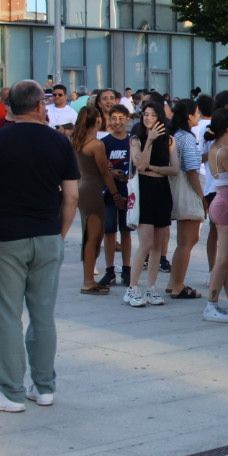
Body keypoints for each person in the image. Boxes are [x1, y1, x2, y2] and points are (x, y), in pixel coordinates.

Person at [0, 81, 79, 413]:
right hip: (47, 234)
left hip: (5, 236)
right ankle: (44, 387)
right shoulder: (59, 141)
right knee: (43, 314)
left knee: (6, 315)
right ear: (37, 106)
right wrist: (59, 232)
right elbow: (72, 196)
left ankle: (11, 392)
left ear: (10, 107)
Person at [124, 101, 178, 306]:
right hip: (144, 191)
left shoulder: (170, 140)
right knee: (145, 242)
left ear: (160, 118)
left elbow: (174, 169)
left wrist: (155, 169)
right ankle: (132, 287)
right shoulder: (136, 139)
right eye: (145, 114)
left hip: (162, 191)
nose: (148, 118)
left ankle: (151, 287)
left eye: (153, 115)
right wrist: (150, 141)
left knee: (159, 244)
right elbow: (140, 165)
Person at [71, 105, 120, 295]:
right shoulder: (96, 145)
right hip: (93, 191)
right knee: (93, 237)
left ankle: (88, 278)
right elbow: (104, 173)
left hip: (81, 187)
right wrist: (116, 194)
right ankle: (88, 280)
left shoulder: (76, 140)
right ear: (97, 120)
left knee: (88, 235)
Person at [201, 108, 228, 322]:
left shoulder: (213, 148)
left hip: (220, 200)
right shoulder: (225, 151)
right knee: (225, 257)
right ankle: (211, 302)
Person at [166, 100, 206, 299]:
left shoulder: (176, 135)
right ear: (189, 116)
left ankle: (173, 281)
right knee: (187, 241)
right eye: (196, 113)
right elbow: (191, 170)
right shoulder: (187, 138)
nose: (198, 116)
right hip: (188, 191)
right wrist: (201, 196)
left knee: (183, 241)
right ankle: (178, 285)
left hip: (175, 189)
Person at [97, 105, 133, 290]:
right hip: (110, 192)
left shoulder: (132, 142)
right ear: (109, 120)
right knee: (109, 230)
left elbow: (138, 166)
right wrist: (112, 173)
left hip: (128, 191)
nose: (117, 122)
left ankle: (127, 269)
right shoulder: (104, 142)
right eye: (114, 118)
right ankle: (110, 269)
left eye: (121, 118)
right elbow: (102, 169)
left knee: (126, 230)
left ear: (128, 119)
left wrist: (128, 176)